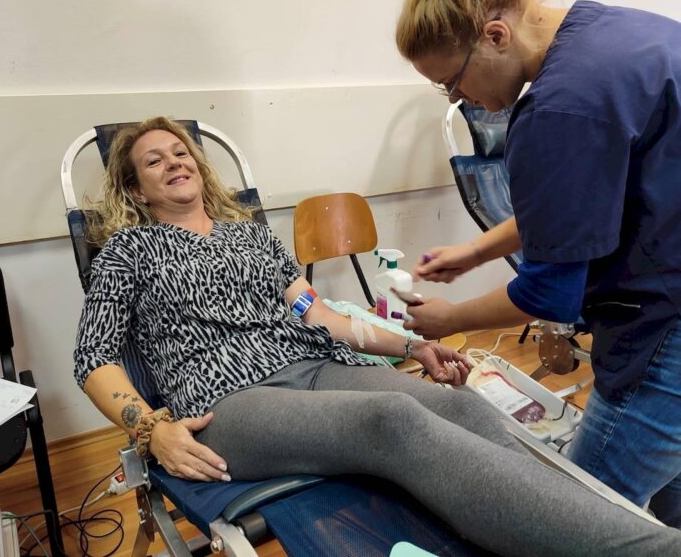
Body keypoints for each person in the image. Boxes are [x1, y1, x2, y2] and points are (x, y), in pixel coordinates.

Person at [73, 116, 681, 556]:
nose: (174, 163)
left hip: (314, 364)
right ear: (136, 190)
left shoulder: (250, 236)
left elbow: (320, 316)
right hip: (229, 402)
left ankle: (556, 528)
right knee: (392, 420)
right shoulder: (129, 251)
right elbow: (93, 356)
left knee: (461, 405)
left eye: (180, 152)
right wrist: (150, 429)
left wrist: (413, 346)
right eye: (154, 161)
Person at [395, 0, 681, 527]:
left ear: (495, 36)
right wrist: (476, 252)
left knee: (576, 520)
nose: (460, 100)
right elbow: (582, 195)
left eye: (452, 84)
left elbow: (549, 295)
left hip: (667, 325)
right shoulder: (619, 32)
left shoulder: (558, 108)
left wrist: (450, 319)